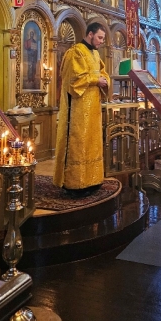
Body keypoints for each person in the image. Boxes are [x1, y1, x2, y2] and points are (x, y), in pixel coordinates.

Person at [53, 22, 110, 196]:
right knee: (78, 143)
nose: (101, 41)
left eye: (103, 38)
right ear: (90, 34)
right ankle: (74, 184)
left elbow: (102, 72)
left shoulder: (95, 53)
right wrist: (95, 80)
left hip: (93, 108)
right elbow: (73, 80)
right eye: (99, 37)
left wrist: (105, 80)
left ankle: (92, 180)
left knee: (92, 143)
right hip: (78, 109)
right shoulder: (75, 52)